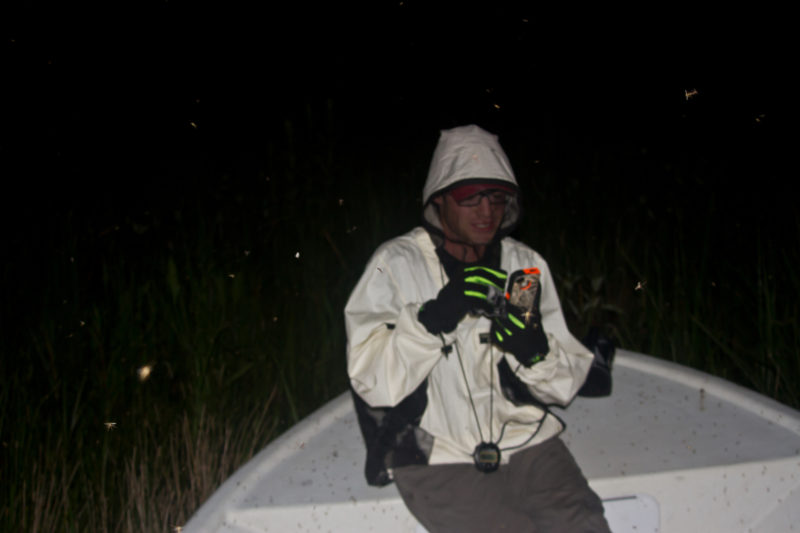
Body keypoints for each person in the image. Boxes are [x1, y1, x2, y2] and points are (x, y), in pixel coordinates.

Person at [345, 124, 610, 532]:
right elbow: (370, 381)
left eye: (497, 197)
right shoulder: (394, 264)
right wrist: (432, 320)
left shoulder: (523, 266)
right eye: (471, 198)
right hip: (437, 454)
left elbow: (560, 387)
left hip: (528, 441)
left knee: (586, 523)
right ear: (440, 201)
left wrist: (534, 351)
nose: (487, 211)